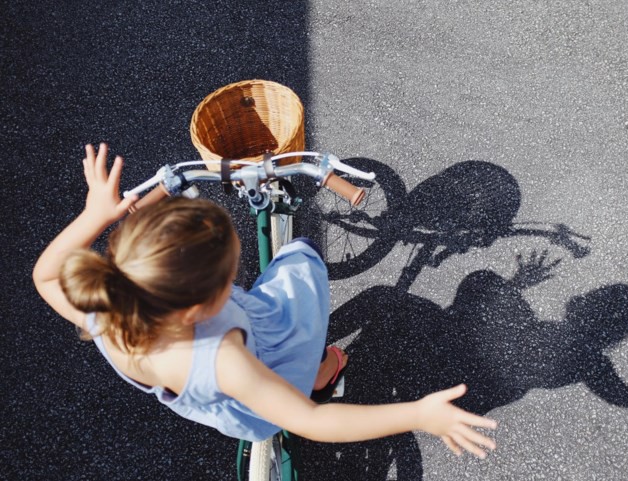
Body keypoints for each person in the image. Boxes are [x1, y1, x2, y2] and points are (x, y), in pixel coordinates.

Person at [33, 143, 498, 458]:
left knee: (285, 359)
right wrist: (419, 414)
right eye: (230, 275)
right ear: (201, 307)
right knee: (301, 262)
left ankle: (318, 370)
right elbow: (313, 422)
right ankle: (319, 370)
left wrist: (94, 214)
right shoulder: (223, 358)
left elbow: (45, 276)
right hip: (264, 367)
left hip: (232, 408)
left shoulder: (111, 312)